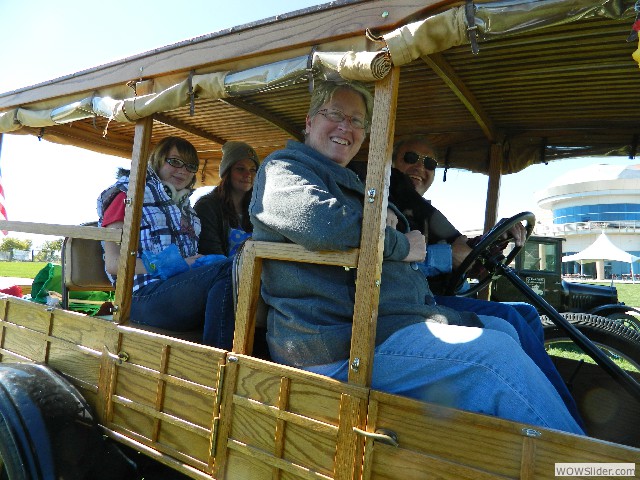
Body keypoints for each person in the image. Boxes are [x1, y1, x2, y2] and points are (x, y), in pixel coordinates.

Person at [249, 80, 583, 434]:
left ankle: (507, 448)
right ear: (309, 121)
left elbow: (398, 228)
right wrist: (400, 243)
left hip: (387, 321)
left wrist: (390, 230)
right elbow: (324, 224)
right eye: (335, 114)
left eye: (358, 121)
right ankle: (585, 463)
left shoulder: (350, 183)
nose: (346, 127)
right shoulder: (283, 168)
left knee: (504, 326)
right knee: (494, 355)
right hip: (337, 341)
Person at [389, 136, 584, 427]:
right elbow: (389, 258)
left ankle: (539, 399)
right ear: (392, 161)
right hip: (411, 303)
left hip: (436, 296)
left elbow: (463, 248)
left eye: (429, 162)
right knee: (509, 317)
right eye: (411, 157)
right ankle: (562, 420)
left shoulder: (424, 212)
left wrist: (496, 238)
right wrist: (444, 257)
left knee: (527, 312)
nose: (420, 167)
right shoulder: (387, 200)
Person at [97, 136, 235, 349]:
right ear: (157, 161)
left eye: (190, 166)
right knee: (226, 269)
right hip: (138, 298)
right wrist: (178, 264)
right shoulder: (126, 195)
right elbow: (114, 265)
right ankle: (216, 361)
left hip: (174, 292)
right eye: (175, 162)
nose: (183, 170)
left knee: (239, 272)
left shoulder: (186, 210)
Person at [195, 141, 260, 256]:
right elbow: (212, 255)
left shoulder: (257, 208)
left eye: (253, 169)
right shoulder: (207, 206)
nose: (248, 174)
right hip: (221, 272)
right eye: (240, 169)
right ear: (227, 172)